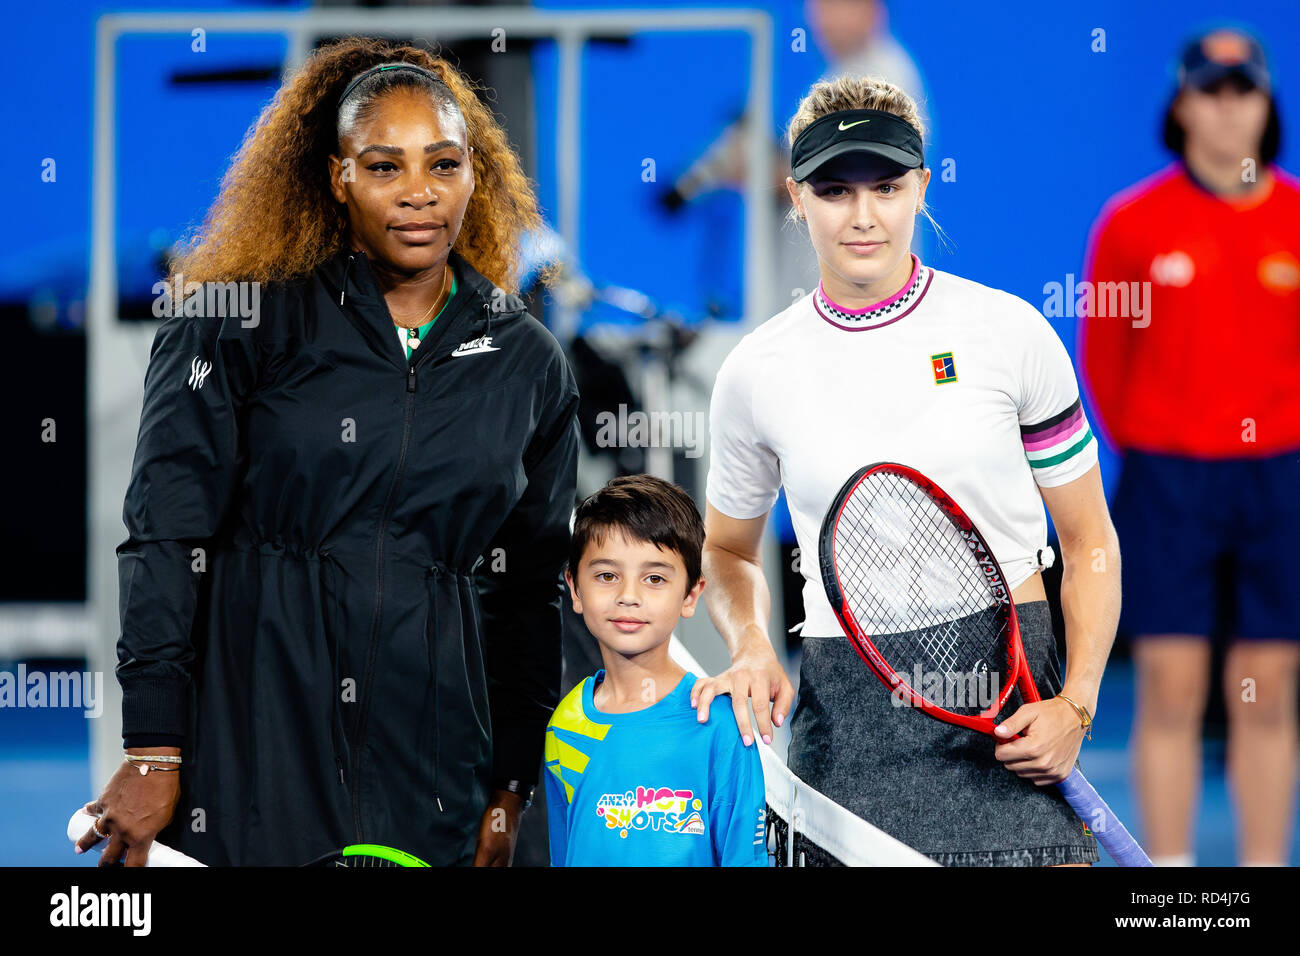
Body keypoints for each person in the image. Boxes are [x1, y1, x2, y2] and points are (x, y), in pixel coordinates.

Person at [77, 37, 580, 866]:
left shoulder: (527, 362)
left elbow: (526, 597)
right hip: (252, 758)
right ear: (336, 179)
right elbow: (166, 541)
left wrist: (510, 786)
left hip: (437, 773)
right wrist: (155, 744)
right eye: (385, 167)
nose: (420, 194)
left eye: (443, 165)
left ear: (473, 176)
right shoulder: (232, 324)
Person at [695, 74, 1120, 865]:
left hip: (1013, 721)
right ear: (795, 196)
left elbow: (1089, 536)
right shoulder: (755, 372)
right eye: (833, 190)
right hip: (847, 733)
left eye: (887, 186)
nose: (863, 216)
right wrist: (750, 641)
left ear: (921, 186)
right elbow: (725, 551)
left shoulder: (1010, 334)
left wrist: (1079, 704)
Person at [1080, 26, 1300, 867]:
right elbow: (1106, 362)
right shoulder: (1134, 226)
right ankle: (1168, 883)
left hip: (1281, 482)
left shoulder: (1295, 220)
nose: (1227, 108)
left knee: (1268, 691)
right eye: (1210, 90)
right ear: (1181, 105)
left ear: (1266, 104)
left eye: (1243, 90)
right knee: (1170, 689)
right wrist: (1170, 445)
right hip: (1170, 482)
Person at [544, 475, 766, 866]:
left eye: (655, 579)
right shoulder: (565, 724)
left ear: (691, 595)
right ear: (574, 589)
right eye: (607, 576)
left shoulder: (718, 722)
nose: (629, 596)